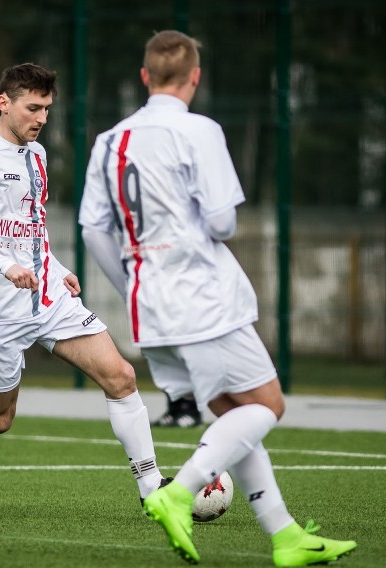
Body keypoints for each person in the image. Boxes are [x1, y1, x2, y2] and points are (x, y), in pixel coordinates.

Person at [79, 31, 357, 566]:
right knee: (268, 405)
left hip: (150, 304)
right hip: (202, 296)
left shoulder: (110, 141)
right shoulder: (197, 130)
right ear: (195, 77)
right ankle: (178, 494)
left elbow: (94, 230)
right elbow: (223, 222)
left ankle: (285, 536)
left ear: (144, 77)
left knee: (232, 415)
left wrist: (131, 286)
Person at [0, 63, 167, 506]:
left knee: (121, 376)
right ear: (5, 103)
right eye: (32, 108)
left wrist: (55, 268)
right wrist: (3, 267)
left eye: (47, 109)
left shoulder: (36, 154)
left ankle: (153, 489)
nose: (41, 118)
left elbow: (29, 228)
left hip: (47, 297)